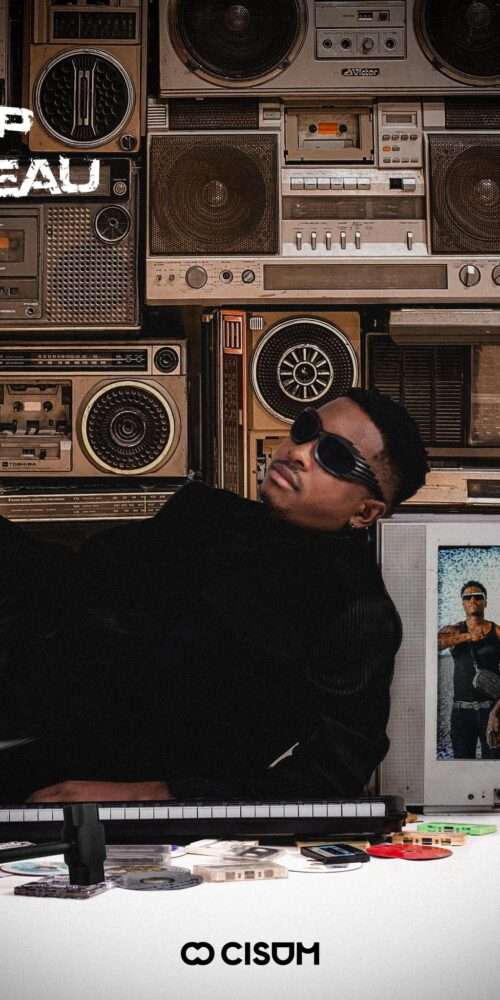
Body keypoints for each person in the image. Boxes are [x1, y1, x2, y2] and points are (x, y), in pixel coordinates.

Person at [0, 389, 429, 803]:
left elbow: (330, 775)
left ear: (364, 512)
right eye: (306, 429)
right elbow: (72, 586)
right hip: (34, 734)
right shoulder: (209, 516)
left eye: (334, 456)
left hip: (131, 807)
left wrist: (152, 795)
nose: (299, 452)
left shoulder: (356, 613)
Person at [438, 581, 500, 759]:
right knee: (462, 763)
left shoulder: (496, 632)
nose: (473, 600)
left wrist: (496, 713)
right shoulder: (454, 630)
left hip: (491, 710)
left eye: (478, 597)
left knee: (493, 764)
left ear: (485, 602)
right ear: (463, 603)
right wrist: (468, 636)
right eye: (467, 597)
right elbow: (435, 644)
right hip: (461, 713)